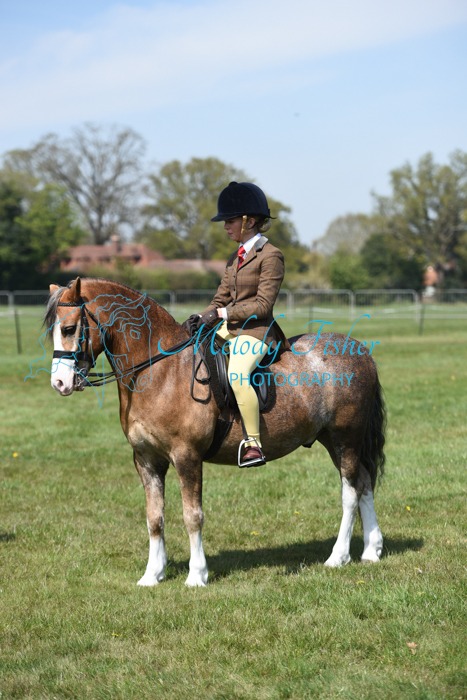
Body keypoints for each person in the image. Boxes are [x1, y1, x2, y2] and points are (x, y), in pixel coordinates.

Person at [184, 181, 289, 468]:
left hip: (256, 331)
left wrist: (221, 314)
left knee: (238, 375)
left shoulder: (271, 256)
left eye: (229, 221)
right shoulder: (236, 257)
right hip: (228, 328)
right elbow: (219, 299)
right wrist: (201, 317)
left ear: (249, 221)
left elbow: (263, 305)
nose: (225, 227)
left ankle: (253, 443)